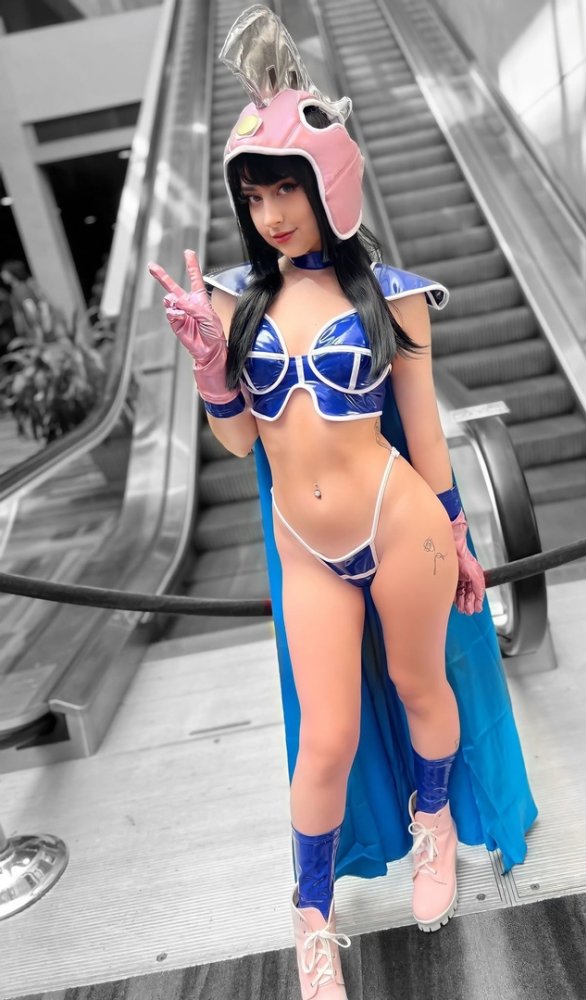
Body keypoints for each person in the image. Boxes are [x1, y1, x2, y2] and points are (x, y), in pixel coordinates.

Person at [149, 7, 537, 998]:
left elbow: (426, 431)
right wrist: (208, 366)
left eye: (286, 186)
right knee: (325, 736)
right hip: (307, 546)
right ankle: (313, 918)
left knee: (422, 688)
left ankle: (433, 820)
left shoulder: (394, 295)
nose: (271, 212)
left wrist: (460, 536)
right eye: (254, 194)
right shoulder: (233, 301)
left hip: (401, 525)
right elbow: (242, 441)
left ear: (330, 182)